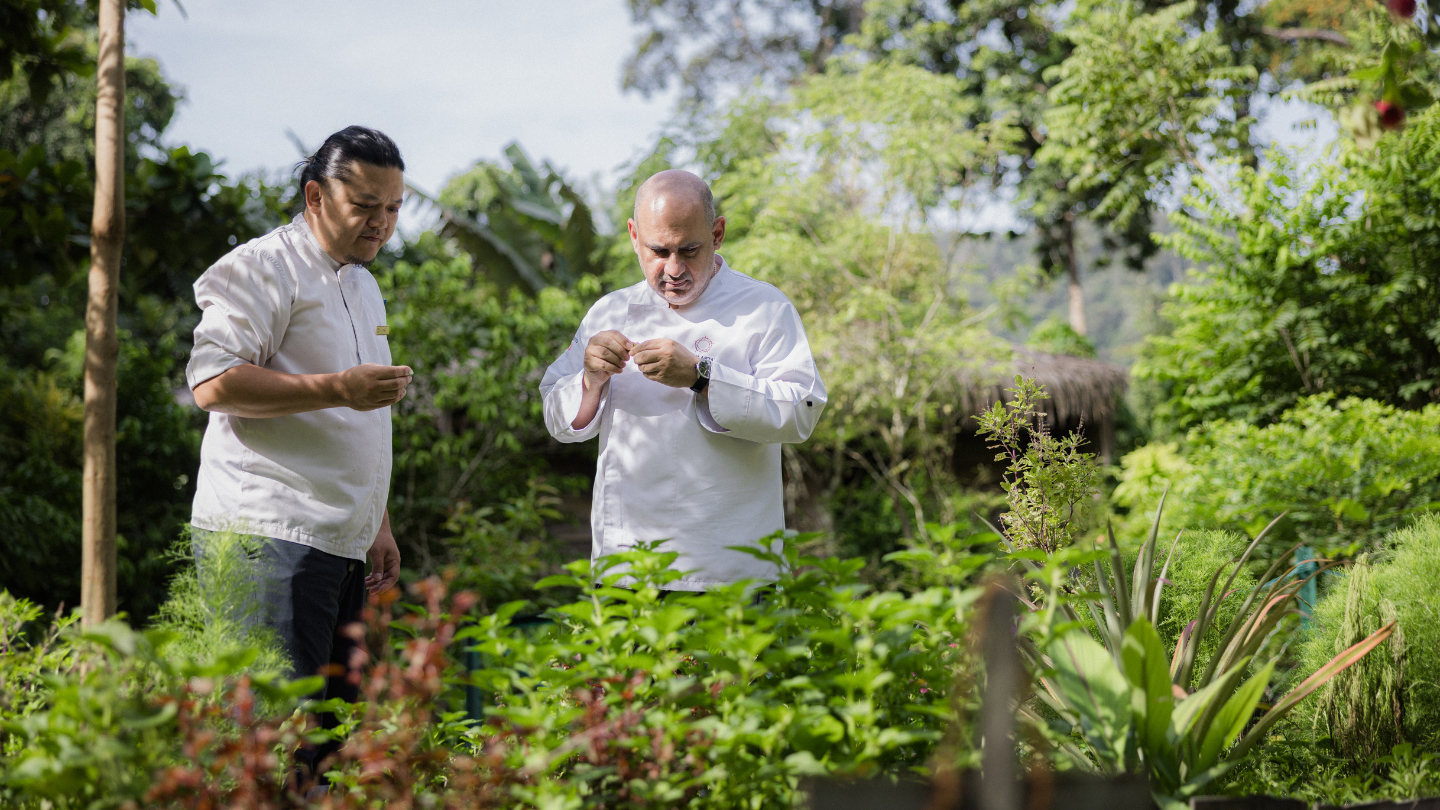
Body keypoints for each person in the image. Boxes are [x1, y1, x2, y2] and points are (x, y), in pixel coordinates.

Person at [185, 125, 408, 785]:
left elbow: (363, 421)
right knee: (279, 748)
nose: (382, 223)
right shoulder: (259, 267)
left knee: (329, 745)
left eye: (394, 208)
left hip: (338, 543)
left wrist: (379, 521)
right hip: (266, 538)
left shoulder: (364, 285)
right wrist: (336, 388)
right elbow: (212, 383)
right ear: (315, 196)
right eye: (365, 205)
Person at [539, 169, 827, 590]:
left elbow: (800, 412)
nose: (673, 269)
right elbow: (556, 417)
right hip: (628, 568)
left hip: (731, 568)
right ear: (634, 237)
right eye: (659, 250)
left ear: (718, 233)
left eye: (689, 250)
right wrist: (591, 379)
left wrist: (702, 377)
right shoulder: (608, 313)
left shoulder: (763, 307)